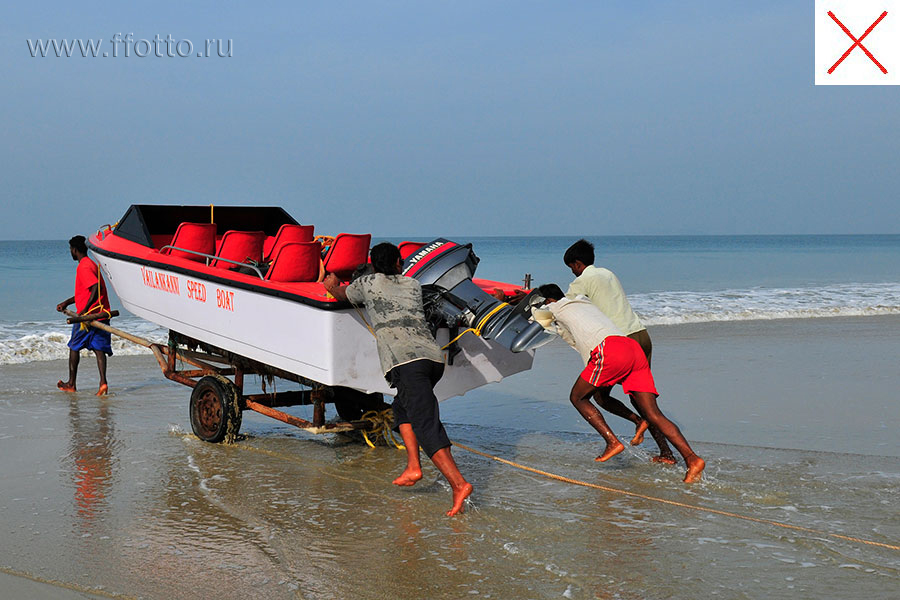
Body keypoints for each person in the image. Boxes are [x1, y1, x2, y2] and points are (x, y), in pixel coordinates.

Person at [323, 242, 473, 516]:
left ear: (373, 264)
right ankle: (413, 467)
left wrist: (331, 283)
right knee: (402, 409)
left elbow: (340, 293)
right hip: (431, 359)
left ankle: (459, 484)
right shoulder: (412, 284)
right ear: (398, 263)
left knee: (426, 425)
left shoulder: (367, 283)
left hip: (407, 363)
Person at [537, 284, 705, 483]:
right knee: (647, 411)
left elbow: (535, 315)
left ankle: (612, 442)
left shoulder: (555, 308)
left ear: (549, 301)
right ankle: (690, 459)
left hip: (610, 351)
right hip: (631, 348)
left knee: (578, 397)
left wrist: (509, 300)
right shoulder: (582, 301)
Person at [563, 238, 676, 464]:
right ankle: (666, 452)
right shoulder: (608, 274)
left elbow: (563, 307)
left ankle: (635, 423)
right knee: (643, 398)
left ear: (577, 264)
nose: (572, 273)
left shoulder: (581, 281)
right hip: (640, 335)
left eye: (571, 268)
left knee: (598, 397)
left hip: (619, 343)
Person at [56, 235, 113, 396]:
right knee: (99, 348)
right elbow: (85, 292)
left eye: (70, 250)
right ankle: (103, 383)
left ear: (74, 250)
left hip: (88, 318)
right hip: (101, 314)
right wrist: (67, 302)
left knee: (74, 347)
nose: (70, 253)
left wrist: (83, 312)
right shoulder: (91, 264)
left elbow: (94, 289)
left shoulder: (84, 267)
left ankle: (71, 383)